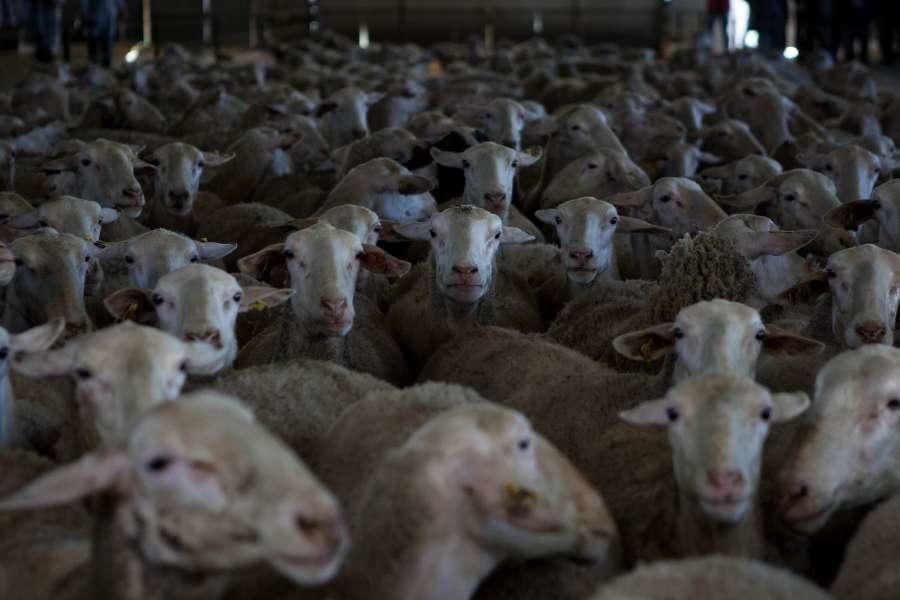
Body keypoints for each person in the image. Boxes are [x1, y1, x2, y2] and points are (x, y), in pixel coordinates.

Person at [81, 0, 123, 67]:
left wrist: (120, 9)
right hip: (94, 20)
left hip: (108, 20)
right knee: (94, 50)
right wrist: (87, 16)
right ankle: (94, 67)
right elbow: (85, 4)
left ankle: (106, 67)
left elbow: (119, 3)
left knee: (107, 49)